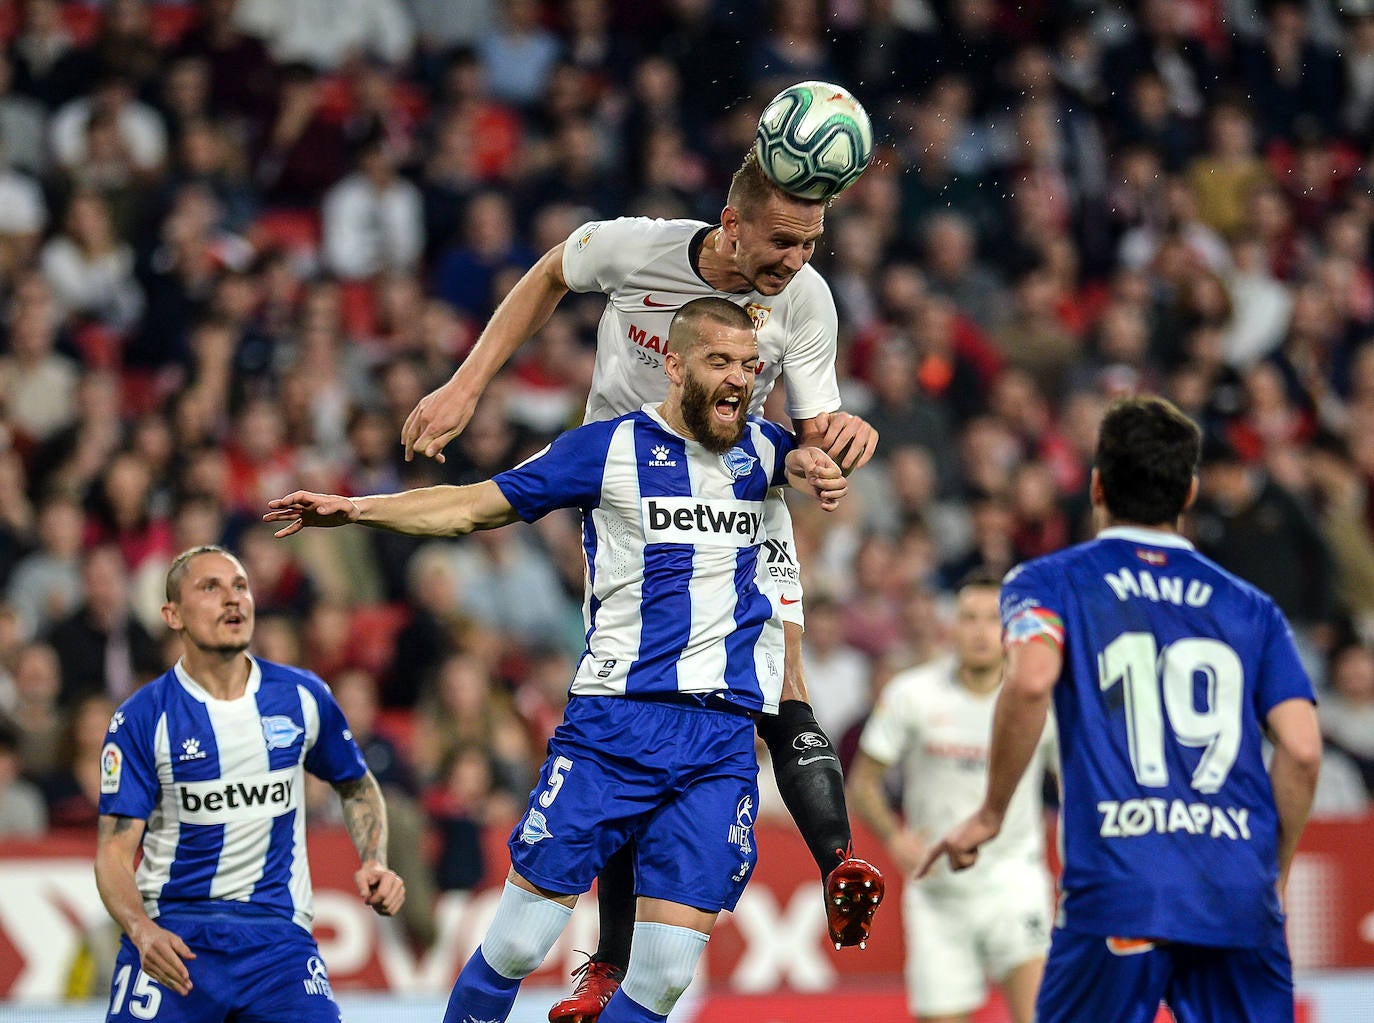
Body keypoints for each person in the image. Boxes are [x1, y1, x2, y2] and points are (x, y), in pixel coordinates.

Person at [265, 298, 856, 1023]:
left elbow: (821, 449)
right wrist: (358, 509)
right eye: (720, 361)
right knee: (519, 944)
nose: (739, 377)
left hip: (721, 742)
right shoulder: (605, 449)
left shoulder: (764, 453)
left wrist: (831, 455)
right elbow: (472, 506)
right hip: (615, 727)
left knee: (666, 975)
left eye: (749, 364)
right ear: (674, 364)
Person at [401, 150, 884, 1020]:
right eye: (783, 242)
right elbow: (549, 274)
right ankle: (611, 961)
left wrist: (838, 439)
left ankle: (835, 860)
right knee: (653, 707)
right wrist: (467, 385)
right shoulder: (633, 247)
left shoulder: (808, 301)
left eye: (812, 243)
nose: (797, 262)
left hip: (748, 487)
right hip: (631, 494)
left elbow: (809, 434)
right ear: (732, 224)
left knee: (782, 680)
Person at [921, 396, 1323, 1023]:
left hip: (1121, 886)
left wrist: (991, 813)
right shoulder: (1254, 608)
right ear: (1190, 493)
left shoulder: (1047, 580)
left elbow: (1030, 683)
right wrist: (1269, 877)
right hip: (1235, 894)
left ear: (1096, 486)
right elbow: (1301, 750)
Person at [94, 545, 405, 1023]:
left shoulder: (302, 696)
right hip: (174, 938)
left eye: (240, 586)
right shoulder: (141, 718)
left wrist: (375, 859)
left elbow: (356, 785)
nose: (232, 599)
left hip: (278, 943)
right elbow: (114, 851)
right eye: (210, 587)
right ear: (172, 615)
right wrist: (140, 929)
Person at [848, 570, 1055, 1023]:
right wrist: (895, 839)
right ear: (952, 627)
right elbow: (862, 782)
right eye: (969, 618)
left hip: (1015, 883)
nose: (980, 631)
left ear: (1009, 631)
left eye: (991, 619)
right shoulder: (911, 694)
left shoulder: (1041, 700)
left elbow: (1077, 785)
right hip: (937, 894)